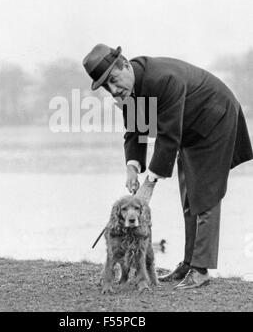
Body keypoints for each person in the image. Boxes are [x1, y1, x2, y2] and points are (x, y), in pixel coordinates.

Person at [83, 43, 253, 290]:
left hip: (215, 118)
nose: (113, 89)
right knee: (189, 197)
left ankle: (201, 271)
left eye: (113, 80)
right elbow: (134, 130)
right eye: (106, 87)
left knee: (205, 196)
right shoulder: (129, 89)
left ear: (126, 65)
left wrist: (148, 186)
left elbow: (168, 136)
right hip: (190, 128)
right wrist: (132, 167)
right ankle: (189, 263)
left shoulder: (163, 79)